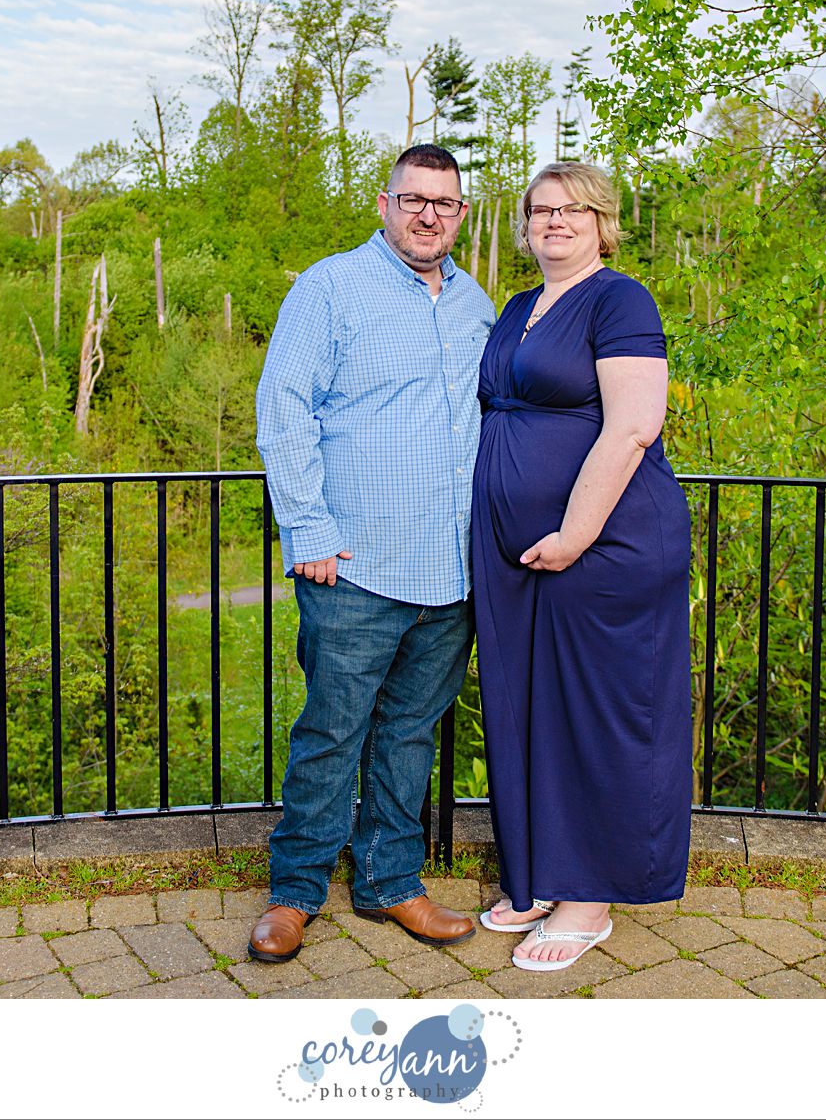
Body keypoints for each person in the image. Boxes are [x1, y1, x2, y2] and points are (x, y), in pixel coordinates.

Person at [247, 144, 497, 964]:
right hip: (353, 566)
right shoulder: (330, 287)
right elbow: (284, 408)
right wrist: (309, 531)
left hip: (451, 571)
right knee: (331, 731)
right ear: (385, 203)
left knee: (409, 738)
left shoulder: (475, 303)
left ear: (462, 214)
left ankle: (392, 881)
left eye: (445, 202)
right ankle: (296, 892)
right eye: (414, 198)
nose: (429, 213)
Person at [470, 160, 692, 972]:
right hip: (517, 556)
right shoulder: (519, 307)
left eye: (572, 209)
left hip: (603, 545)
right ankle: (538, 876)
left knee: (596, 713)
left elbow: (634, 425)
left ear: (602, 221)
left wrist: (571, 532)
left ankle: (590, 896)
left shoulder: (620, 299)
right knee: (531, 709)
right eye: (540, 210)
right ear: (524, 226)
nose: (554, 221)